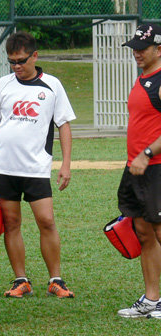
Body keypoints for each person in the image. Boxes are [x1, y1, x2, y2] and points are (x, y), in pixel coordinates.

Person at [0, 31, 75, 299]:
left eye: (21, 60)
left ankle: (56, 279)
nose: (16, 66)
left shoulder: (53, 85)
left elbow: (64, 126)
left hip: (35, 168)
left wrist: (66, 164)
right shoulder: (2, 85)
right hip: (3, 167)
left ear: (35, 55)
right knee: (11, 223)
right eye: (12, 61)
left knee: (46, 221)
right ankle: (20, 280)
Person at [116, 24, 161, 318]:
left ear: (160, 49)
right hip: (137, 169)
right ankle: (152, 299)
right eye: (134, 47)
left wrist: (147, 154)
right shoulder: (143, 78)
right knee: (144, 232)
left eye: (142, 48)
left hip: (155, 167)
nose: (136, 53)